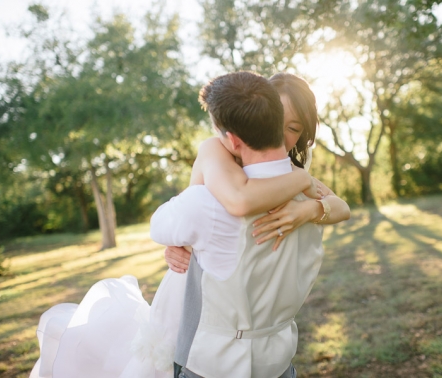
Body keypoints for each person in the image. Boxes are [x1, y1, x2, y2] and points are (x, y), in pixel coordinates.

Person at [29, 72, 349, 378]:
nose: (279, 134)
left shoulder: (294, 175)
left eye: (293, 127)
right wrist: (178, 241)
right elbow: (199, 203)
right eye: (275, 121)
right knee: (179, 351)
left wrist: (308, 210)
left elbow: (341, 207)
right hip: (201, 297)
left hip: (255, 321)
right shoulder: (220, 155)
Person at [150, 70, 325, 378]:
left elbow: (167, 220)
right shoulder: (309, 193)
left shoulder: (208, 201)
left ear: (231, 138)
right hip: (280, 359)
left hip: (211, 362)